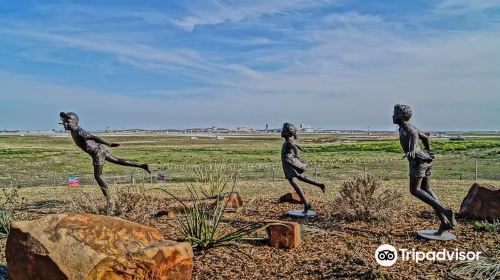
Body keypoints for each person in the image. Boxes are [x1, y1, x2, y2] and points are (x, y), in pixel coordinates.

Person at [60, 112, 151, 213]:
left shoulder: (78, 131)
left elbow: (93, 137)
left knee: (98, 176)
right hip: (100, 149)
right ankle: (143, 166)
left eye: (67, 121)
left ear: (75, 122)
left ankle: (109, 202)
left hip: (97, 153)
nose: (65, 124)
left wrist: (109, 144)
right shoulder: (74, 130)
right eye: (64, 122)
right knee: (116, 160)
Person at [392, 104, 456, 234]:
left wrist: (412, 150)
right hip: (425, 159)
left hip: (417, 161)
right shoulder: (407, 127)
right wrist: (428, 150)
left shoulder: (407, 127)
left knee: (414, 190)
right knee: (427, 190)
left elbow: (413, 137)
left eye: (395, 113)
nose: (392, 115)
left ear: (402, 116)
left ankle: (445, 211)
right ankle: (444, 222)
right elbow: (425, 137)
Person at [281, 122, 325, 213]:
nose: (281, 132)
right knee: (301, 178)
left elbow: (294, 148)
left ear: (286, 133)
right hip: (289, 164)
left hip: (290, 165)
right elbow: (294, 147)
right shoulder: (288, 142)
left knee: (294, 182)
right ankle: (319, 185)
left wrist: (297, 154)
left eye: (283, 130)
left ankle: (306, 204)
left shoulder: (288, 142)